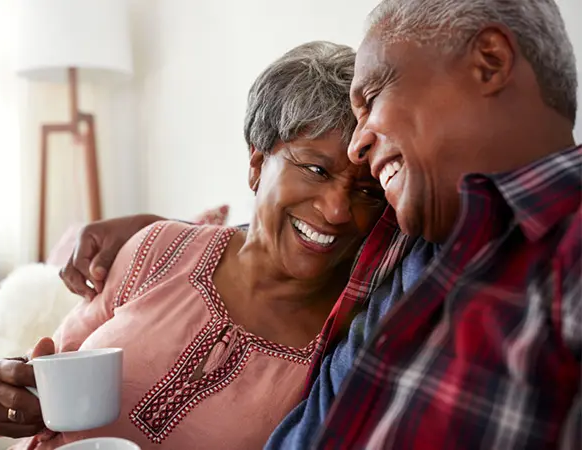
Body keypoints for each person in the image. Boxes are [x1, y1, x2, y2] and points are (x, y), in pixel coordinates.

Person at [62, 1, 582, 449]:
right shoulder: (408, 244)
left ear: (489, 63)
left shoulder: (559, 255)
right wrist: (153, 235)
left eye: (373, 95)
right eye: (317, 167)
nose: (359, 144)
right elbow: (265, 240)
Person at [0, 41, 388, 450]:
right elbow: (48, 375)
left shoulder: (349, 343)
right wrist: (13, 397)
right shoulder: (158, 248)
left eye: (367, 190)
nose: (337, 211)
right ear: (258, 162)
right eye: (316, 170)